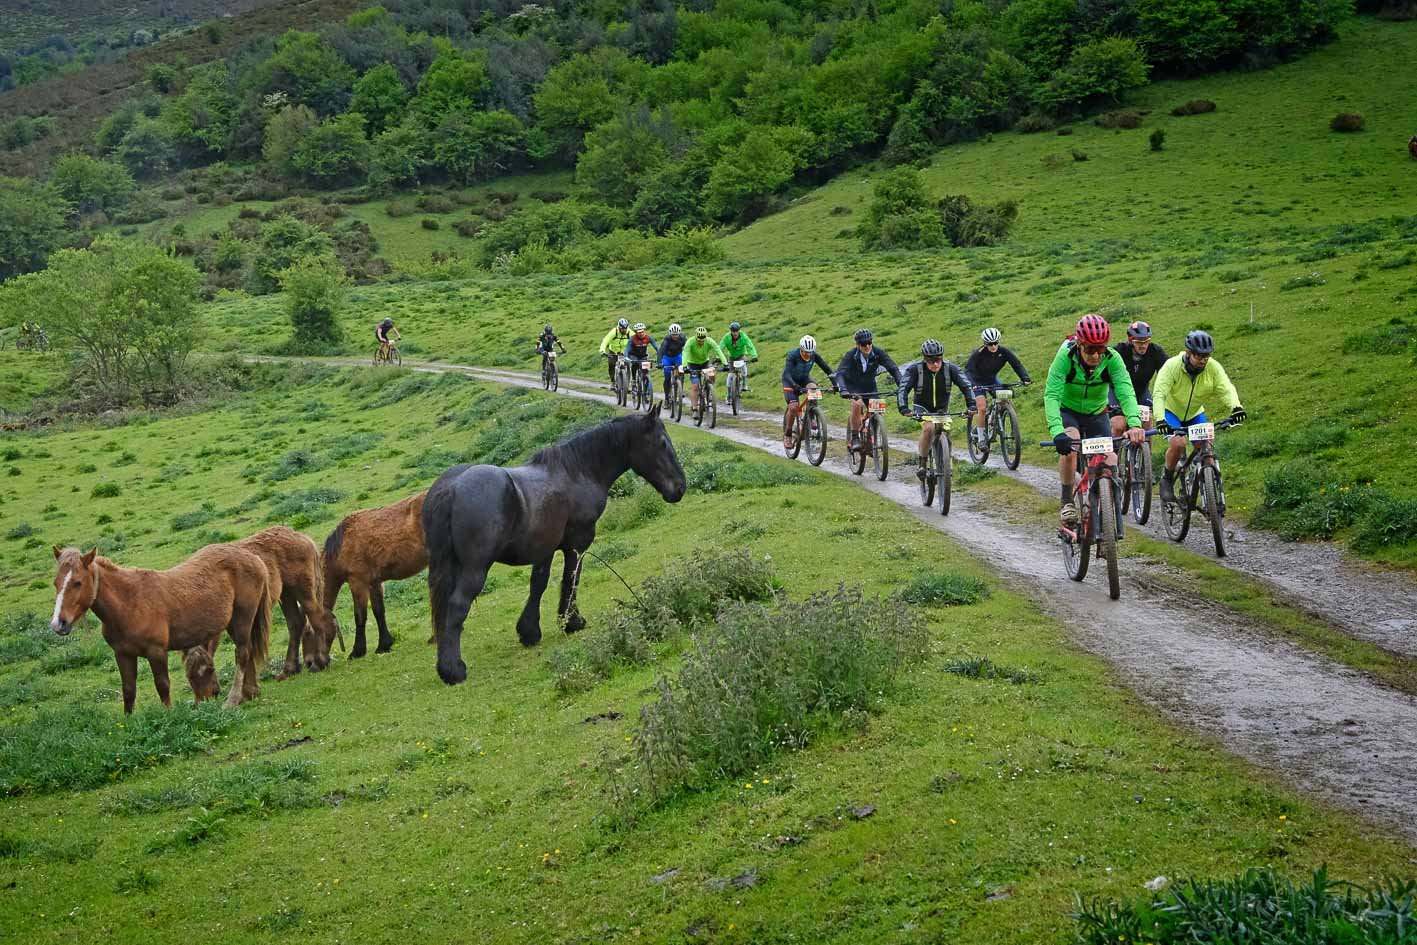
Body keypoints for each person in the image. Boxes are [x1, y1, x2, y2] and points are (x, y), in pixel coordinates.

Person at [1043, 314, 1145, 525]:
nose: (1096, 356)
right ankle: (1066, 501)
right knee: (1070, 446)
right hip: (1068, 411)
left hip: (1097, 413)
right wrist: (1057, 432)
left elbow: (1125, 390)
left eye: (1100, 349)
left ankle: (1107, 507)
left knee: (1110, 458)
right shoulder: (1065, 357)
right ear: (1079, 344)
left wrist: (1134, 423)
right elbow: (1052, 395)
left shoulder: (1112, 358)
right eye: (1090, 349)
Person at [1151, 330, 1246, 504]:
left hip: (1195, 414)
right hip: (1170, 412)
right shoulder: (1172, 366)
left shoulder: (1213, 367)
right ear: (1188, 353)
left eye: (1207, 356)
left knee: (1207, 450)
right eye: (1199, 356)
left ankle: (1210, 494)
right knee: (1178, 444)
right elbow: (1159, 394)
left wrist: (1236, 408)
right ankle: (1167, 477)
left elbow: (1225, 388)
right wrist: (1160, 420)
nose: (1203, 360)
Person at [897, 339, 974, 481]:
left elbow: (966, 386)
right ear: (924, 359)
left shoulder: (950, 369)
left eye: (938, 359)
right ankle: (922, 463)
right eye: (931, 360)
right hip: (922, 408)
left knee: (946, 432)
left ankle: (946, 464)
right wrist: (903, 407)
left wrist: (972, 404)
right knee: (928, 429)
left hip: (941, 409)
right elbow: (903, 389)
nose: (935, 364)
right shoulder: (915, 370)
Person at [834, 328, 902, 450]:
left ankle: (871, 435)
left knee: (877, 409)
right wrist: (843, 389)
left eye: (869, 343)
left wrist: (901, 385)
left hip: (869, 385)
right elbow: (840, 373)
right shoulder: (850, 355)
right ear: (857, 345)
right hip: (853, 386)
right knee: (857, 404)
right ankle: (855, 437)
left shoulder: (878, 353)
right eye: (863, 344)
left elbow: (893, 368)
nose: (867, 346)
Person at [965, 328, 1032, 449]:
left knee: (1005, 398)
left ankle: (1003, 424)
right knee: (982, 407)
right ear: (985, 344)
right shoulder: (978, 354)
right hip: (977, 381)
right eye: (990, 344)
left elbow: (1016, 364)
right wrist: (973, 384)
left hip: (991, 379)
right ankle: (981, 438)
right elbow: (968, 370)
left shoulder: (1004, 352)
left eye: (996, 343)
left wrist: (1025, 377)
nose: (993, 346)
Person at [1109, 320, 1167, 436]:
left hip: (1140, 391)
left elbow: (1167, 373)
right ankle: (1114, 453)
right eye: (1139, 342)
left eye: (1146, 341)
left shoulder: (1155, 352)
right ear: (1131, 340)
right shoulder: (1119, 351)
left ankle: (1147, 454)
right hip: (1117, 392)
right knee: (1119, 425)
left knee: (1147, 420)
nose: (1143, 345)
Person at [781, 335, 835, 450]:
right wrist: (794, 386)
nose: (808, 355)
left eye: (810, 352)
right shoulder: (793, 356)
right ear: (801, 349)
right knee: (794, 407)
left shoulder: (814, 355)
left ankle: (812, 415)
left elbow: (828, 370)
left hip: (804, 379)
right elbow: (787, 374)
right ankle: (788, 434)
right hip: (790, 381)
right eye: (805, 352)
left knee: (813, 388)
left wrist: (835, 384)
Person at [683, 327, 727, 413]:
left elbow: (718, 350)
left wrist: (725, 363)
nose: (701, 342)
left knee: (712, 374)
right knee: (695, 386)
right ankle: (695, 408)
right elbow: (685, 353)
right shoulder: (690, 342)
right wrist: (685, 366)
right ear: (696, 337)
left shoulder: (709, 341)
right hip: (693, 364)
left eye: (703, 340)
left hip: (705, 363)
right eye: (699, 340)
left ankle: (709, 390)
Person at [719, 321, 759, 389]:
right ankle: (728, 395)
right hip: (731, 357)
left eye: (736, 331)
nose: (735, 333)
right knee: (730, 374)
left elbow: (750, 346)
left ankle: (744, 384)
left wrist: (754, 356)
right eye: (733, 331)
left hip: (741, 356)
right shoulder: (726, 337)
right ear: (730, 331)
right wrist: (718, 357)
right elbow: (720, 347)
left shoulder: (744, 336)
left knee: (744, 369)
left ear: (739, 330)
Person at [658, 323, 688, 405]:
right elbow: (661, 351)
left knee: (681, 371)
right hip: (667, 358)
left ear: (679, 333)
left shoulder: (683, 338)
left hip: (677, 356)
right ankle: (667, 397)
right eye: (673, 335)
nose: (675, 336)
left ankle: (680, 390)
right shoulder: (667, 339)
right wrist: (659, 362)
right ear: (670, 334)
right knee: (667, 377)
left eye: (676, 335)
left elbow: (688, 349)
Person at [598, 318, 632, 387]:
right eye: (622, 329)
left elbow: (635, 340)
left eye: (625, 328)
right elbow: (605, 341)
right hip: (613, 351)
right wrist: (602, 350)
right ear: (619, 327)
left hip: (624, 352)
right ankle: (613, 382)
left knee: (627, 366)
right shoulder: (614, 332)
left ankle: (627, 385)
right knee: (611, 364)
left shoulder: (629, 332)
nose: (624, 330)